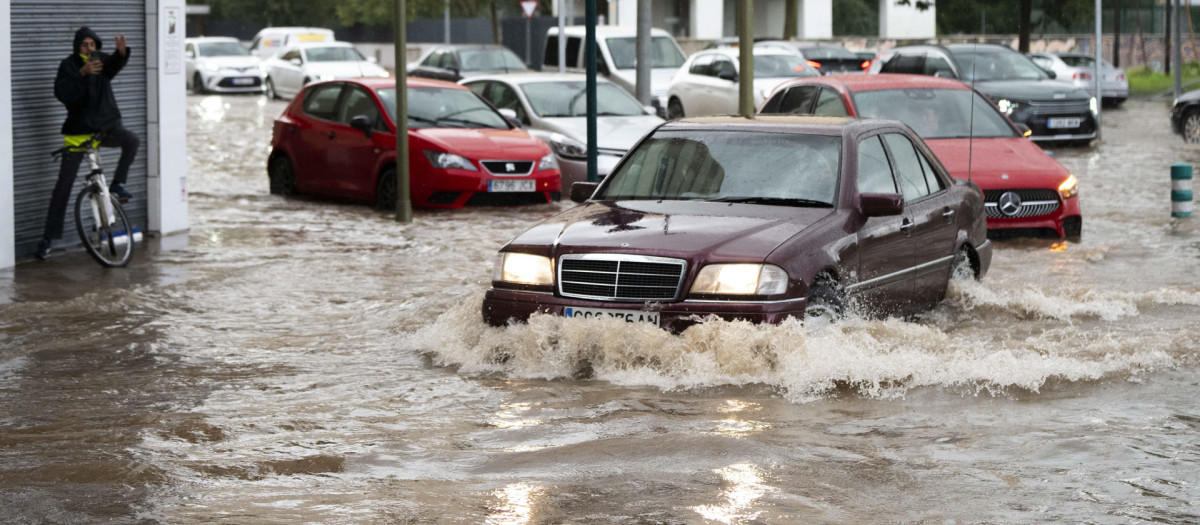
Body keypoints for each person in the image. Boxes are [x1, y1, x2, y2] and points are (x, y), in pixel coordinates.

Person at [35, 27, 138, 260]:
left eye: (93, 45)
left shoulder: (101, 61)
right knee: (64, 186)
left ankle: (117, 185)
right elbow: (63, 94)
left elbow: (112, 67)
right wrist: (81, 73)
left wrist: (121, 55)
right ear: (77, 46)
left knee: (131, 140)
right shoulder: (68, 66)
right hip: (78, 133)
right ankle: (47, 239)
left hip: (103, 129)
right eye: (85, 45)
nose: (89, 49)